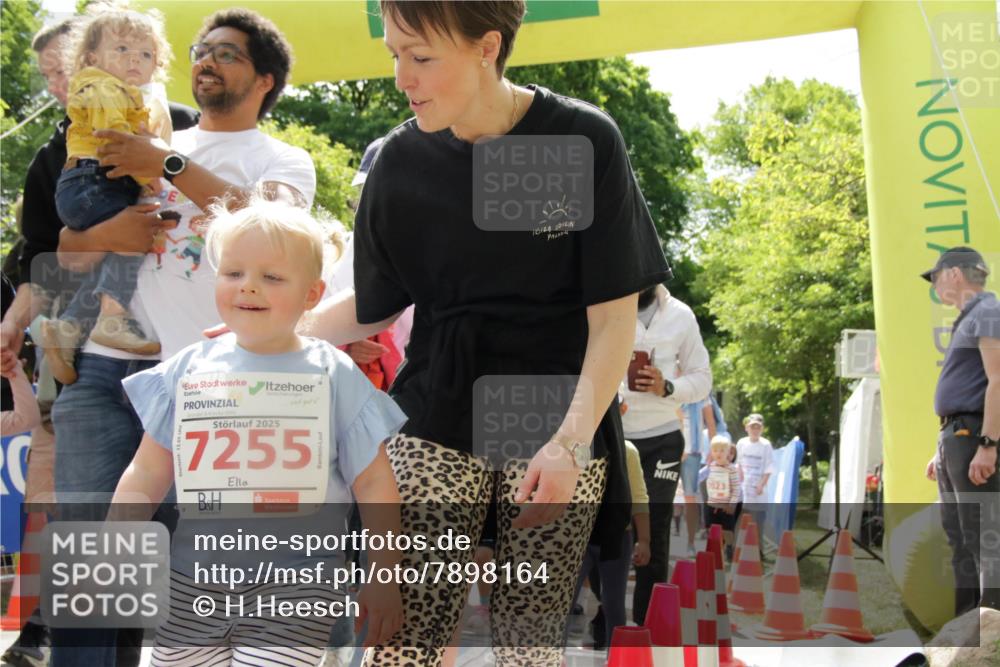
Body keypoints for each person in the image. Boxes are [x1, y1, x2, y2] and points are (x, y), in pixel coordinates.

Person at [305, 3, 670, 664]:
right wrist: (278, 330)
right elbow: (377, 304)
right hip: (436, 406)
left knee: (529, 647)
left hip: (555, 412)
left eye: (421, 57)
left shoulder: (582, 139)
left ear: (487, 46)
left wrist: (569, 444)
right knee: (403, 640)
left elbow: (613, 318)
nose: (402, 77)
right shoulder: (398, 160)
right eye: (394, 55)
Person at [48, 9, 314, 665]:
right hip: (104, 375)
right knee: (89, 575)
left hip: (211, 387)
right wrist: (107, 232)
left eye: (227, 53)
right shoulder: (140, 129)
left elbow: (273, 230)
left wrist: (162, 163)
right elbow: (67, 251)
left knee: (193, 580)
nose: (206, 61)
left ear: (265, 80)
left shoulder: (282, 159)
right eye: (201, 49)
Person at [108, 198, 407, 666]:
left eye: (272, 277)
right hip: (191, 584)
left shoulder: (334, 373)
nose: (248, 286)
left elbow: (374, 483)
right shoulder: (188, 368)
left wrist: (384, 575)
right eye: (233, 273)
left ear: (312, 294)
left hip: (298, 587)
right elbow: (147, 470)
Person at [41, 6, 176, 382]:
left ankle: (69, 327)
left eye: (145, 54)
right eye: (121, 49)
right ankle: (112, 319)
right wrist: (149, 175)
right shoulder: (102, 87)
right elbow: (115, 140)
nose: (134, 60)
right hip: (94, 181)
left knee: (114, 256)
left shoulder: (129, 94)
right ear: (91, 58)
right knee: (136, 234)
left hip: (93, 182)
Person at [620, 283, 711, 625]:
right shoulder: (605, 304)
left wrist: (667, 386)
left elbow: (702, 380)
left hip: (663, 437)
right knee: (607, 525)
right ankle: (606, 612)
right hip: (615, 434)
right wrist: (612, 398)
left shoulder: (680, 314)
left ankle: (647, 625)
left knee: (655, 528)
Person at [921, 246, 999, 613]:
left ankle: (990, 632)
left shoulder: (988, 311)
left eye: (935, 277)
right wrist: (942, 448)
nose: (934, 285)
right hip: (957, 436)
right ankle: (965, 630)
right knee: (961, 539)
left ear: (954, 273)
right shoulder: (971, 316)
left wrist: (988, 443)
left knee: (985, 538)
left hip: (973, 434)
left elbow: (998, 379)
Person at [698, 435, 742, 560]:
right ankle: (714, 552)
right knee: (711, 530)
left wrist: (732, 504)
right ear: (711, 452)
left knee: (727, 530)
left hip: (726, 506)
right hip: (711, 505)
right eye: (715, 450)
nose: (718, 453)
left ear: (728, 452)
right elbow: (698, 478)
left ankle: (729, 547)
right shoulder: (710, 467)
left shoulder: (731, 469)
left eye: (722, 451)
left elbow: (736, 488)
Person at [736, 413, 774, 547]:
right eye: (753, 427)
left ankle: (759, 550)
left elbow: (769, 468)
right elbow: (738, 463)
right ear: (747, 428)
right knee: (742, 519)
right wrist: (739, 479)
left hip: (758, 490)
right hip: (744, 488)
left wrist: (761, 485)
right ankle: (739, 548)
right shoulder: (742, 443)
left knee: (757, 522)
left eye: (758, 427)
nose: (755, 430)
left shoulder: (766, 445)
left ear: (762, 429)